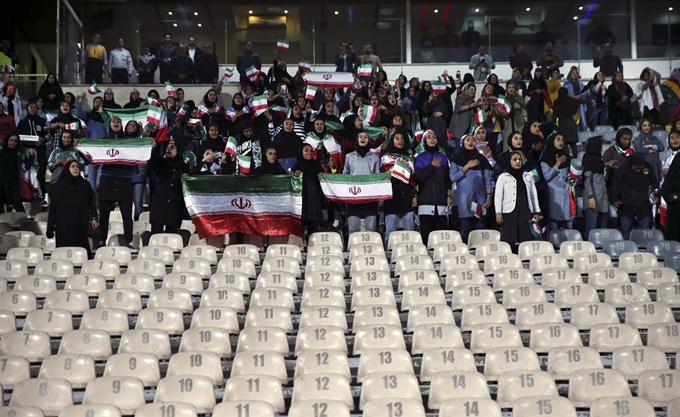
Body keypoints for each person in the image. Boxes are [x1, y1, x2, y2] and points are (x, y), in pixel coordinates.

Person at [46, 159, 98, 257]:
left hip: (80, 225)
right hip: (63, 227)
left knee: (82, 253)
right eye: (72, 167)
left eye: (77, 167)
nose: (75, 169)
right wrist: (50, 229)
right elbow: (53, 209)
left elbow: (92, 203)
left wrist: (94, 217)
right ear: (67, 169)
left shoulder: (85, 185)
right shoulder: (58, 186)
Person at [98, 116, 135, 248]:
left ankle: (129, 241)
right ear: (110, 124)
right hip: (107, 178)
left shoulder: (129, 141)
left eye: (119, 121)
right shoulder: (103, 141)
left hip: (124, 179)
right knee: (104, 213)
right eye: (114, 121)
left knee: (126, 214)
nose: (116, 123)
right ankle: (101, 240)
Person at [495, 151, 542, 252]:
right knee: (509, 239)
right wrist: (498, 212)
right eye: (514, 159)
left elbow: (533, 195)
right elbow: (498, 196)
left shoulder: (528, 176)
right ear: (509, 161)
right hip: (509, 211)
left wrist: (536, 212)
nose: (517, 162)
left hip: (525, 209)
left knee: (526, 238)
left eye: (519, 159)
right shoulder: (503, 177)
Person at [450, 134, 493, 242]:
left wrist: (489, 195)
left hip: (480, 198)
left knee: (481, 229)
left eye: (473, 140)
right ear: (462, 143)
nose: (470, 142)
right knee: (465, 228)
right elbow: (452, 177)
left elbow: (487, 178)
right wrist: (467, 166)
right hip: (465, 199)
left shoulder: (481, 159)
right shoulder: (457, 159)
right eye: (467, 140)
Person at [380, 128, 416, 247]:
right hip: (391, 197)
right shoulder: (385, 157)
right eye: (396, 138)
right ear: (392, 141)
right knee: (390, 231)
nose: (400, 141)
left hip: (407, 197)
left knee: (410, 232)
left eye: (401, 139)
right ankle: (390, 252)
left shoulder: (410, 158)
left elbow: (414, 179)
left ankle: (411, 252)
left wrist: (415, 195)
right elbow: (381, 176)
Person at [611, 153, 659, 240]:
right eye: (636, 167)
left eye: (640, 167)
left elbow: (654, 182)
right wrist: (615, 199)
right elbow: (615, 185)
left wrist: (656, 194)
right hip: (626, 206)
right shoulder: (623, 169)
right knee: (626, 230)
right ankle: (627, 250)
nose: (638, 169)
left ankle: (645, 250)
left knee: (645, 232)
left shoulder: (647, 167)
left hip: (643, 206)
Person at [415, 130, 451, 243]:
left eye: (434, 137)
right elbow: (419, 177)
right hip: (425, 201)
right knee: (426, 236)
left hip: (441, 202)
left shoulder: (443, 157)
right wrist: (431, 166)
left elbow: (447, 179)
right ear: (424, 140)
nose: (432, 139)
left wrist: (448, 195)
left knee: (441, 236)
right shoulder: (420, 158)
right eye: (429, 137)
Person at [148, 137, 189, 235]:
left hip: (174, 204)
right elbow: (154, 160)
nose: (169, 150)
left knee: (172, 233)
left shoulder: (184, 167)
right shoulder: (162, 163)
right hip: (160, 202)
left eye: (172, 147)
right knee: (156, 232)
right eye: (168, 147)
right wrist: (153, 148)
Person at [343, 131, 380, 233]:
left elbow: (377, 177)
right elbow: (345, 175)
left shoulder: (375, 157)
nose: (363, 138)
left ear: (369, 141)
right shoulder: (349, 156)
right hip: (354, 198)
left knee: (371, 230)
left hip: (370, 198)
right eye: (360, 137)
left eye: (365, 137)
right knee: (353, 230)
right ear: (357, 140)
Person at [17, 99, 48, 205]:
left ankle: (41, 196)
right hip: (27, 153)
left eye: (35, 107)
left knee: (40, 174)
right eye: (31, 107)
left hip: (40, 152)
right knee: (27, 175)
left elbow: (48, 134)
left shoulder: (42, 121)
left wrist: (44, 139)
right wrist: (26, 149)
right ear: (27, 108)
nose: (33, 109)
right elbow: (18, 138)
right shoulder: (22, 122)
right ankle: (26, 197)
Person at [540, 132, 573, 230]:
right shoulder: (545, 159)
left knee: (569, 222)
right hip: (553, 193)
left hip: (566, 192)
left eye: (562, 140)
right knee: (553, 222)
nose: (561, 142)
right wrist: (557, 164)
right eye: (558, 139)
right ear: (552, 142)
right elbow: (547, 177)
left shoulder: (567, 157)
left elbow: (571, 174)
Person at [292, 143, 325, 235]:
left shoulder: (317, 165)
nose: (309, 153)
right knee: (299, 230)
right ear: (301, 152)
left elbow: (323, 183)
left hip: (314, 199)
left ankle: (312, 246)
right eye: (306, 150)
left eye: (311, 151)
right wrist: (295, 176)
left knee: (314, 230)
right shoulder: (296, 166)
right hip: (301, 200)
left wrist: (322, 176)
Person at [582, 136, 609, 240]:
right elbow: (587, 179)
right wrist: (590, 197)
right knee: (591, 229)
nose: (601, 148)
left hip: (602, 198)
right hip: (592, 198)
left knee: (603, 230)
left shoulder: (598, 159)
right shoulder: (588, 158)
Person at [0, 133, 34, 212]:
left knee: (20, 209)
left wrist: (31, 156)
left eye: (15, 141)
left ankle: (24, 224)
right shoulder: (1, 153)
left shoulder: (19, 155)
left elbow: (25, 167)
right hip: (1, 184)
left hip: (13, 185)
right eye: (11, 140)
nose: (13, 143)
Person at [660, 129, 680, 241]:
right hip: (676, 207)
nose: (675, 140)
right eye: (672, 138)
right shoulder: (677, 159)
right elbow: (667, 188)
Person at [552, 87, 580, 156]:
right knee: (573, 144)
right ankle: (576, 159)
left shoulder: (557, 102)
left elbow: (555, 115)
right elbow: (578, 103)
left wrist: (553, 125)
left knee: (564, 143)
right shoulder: (570, 101)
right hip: (571, 123)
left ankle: (566, 159)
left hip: (563, 123)